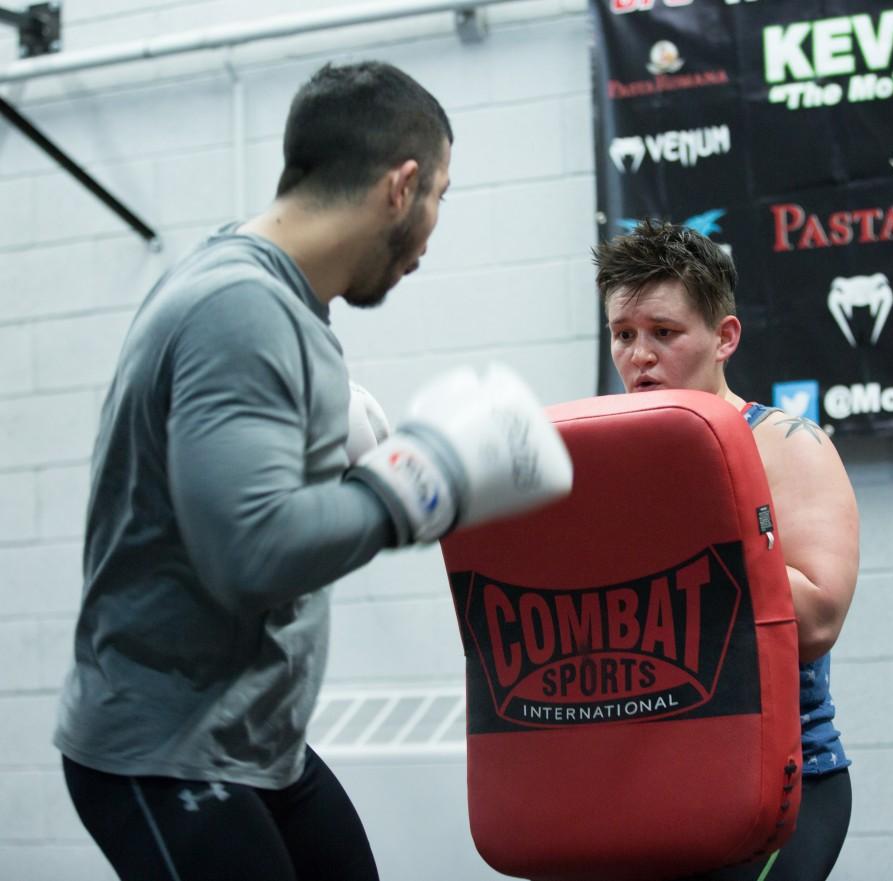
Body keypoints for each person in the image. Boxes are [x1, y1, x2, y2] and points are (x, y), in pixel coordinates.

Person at [53, 60, 572, 881]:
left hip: (258, 742)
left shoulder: (275, 298)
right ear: (401, 187)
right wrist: (420, 479)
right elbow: (249, 553)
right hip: (166, 751)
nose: (433, 234)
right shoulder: (241, 309)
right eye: (442, 194)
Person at [593, 219, 858, 881]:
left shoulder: (787, 444)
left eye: (664, 332)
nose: (639, 356)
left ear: (724, 337)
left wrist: (704, 512)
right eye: (624, 335)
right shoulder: (605, 456)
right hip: (649, 779)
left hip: (775, 784)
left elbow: (818, 622)